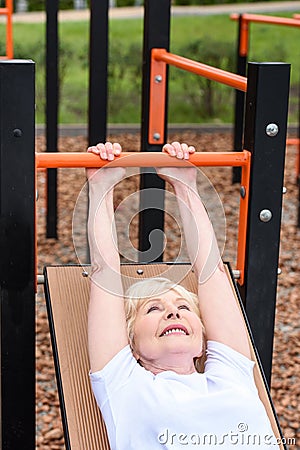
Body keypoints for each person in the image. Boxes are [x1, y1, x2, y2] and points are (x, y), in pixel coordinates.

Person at [86, 141, 277, 449]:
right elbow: (104, 273)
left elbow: (212, 273)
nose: (173, 313)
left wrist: (184, 183)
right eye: (153, 310)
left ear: (205, 338)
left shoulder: (232, 374)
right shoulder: (125, 386)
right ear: (130, 345)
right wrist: (102, 186)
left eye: (184, 307)